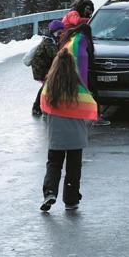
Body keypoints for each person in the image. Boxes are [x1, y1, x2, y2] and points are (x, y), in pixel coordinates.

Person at [39, 49, 98, 212]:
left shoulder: (50, 85)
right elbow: (91, 105)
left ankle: (50, 192)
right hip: (76, 135)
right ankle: (71, 200)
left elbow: (43, 105)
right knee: (73, 168)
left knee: (53, 164)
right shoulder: (78, 86)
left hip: (56, 134)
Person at [23, 20, 63, 116]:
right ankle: (37, 107)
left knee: (49, 85)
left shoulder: (52, 39)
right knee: (47, 85)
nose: (60, 34)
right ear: (54, 31)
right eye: (59, 32)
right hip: (40, 68)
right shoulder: (48, 41)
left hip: (45, 67)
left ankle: (45, 106)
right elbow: (54, 55)